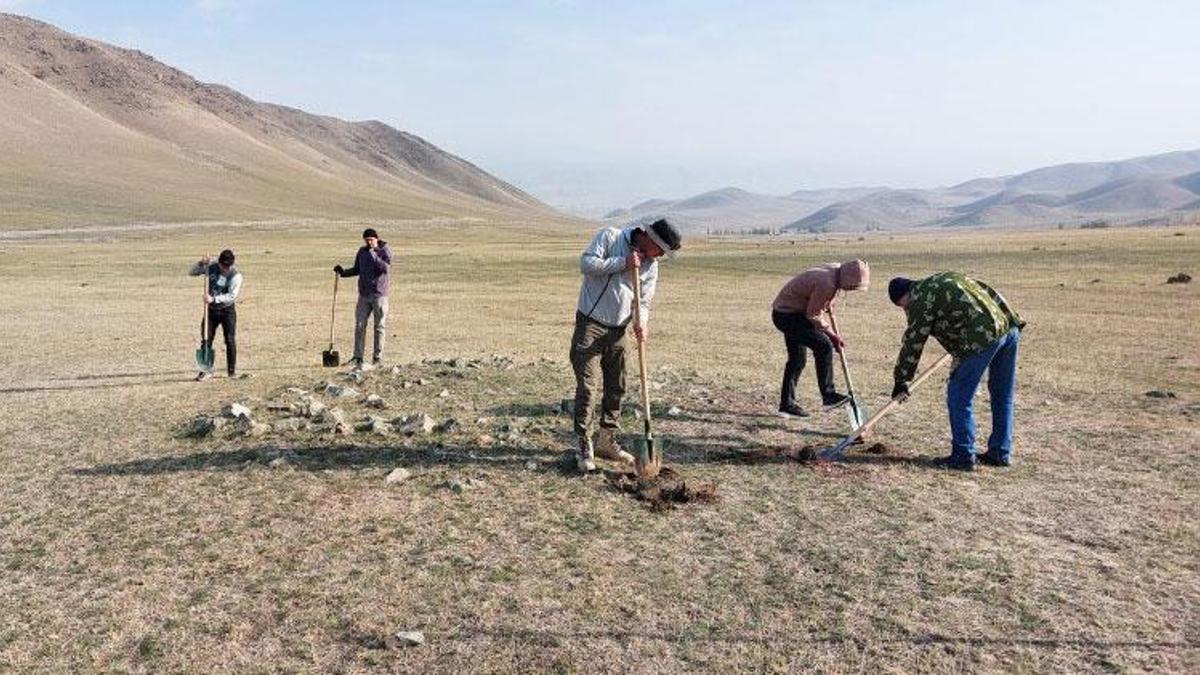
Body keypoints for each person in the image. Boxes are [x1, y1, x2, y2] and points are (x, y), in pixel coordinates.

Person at [570, 217, 683, 472]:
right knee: (588, 386)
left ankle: (606, 441)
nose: (660, 256)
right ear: (648, 237)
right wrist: (622, 263)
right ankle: (584, 444)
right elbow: (587, 264)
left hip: (619, 329)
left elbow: (642, 302)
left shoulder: (651, 266)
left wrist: (641, 322)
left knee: (617, 385)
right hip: (591, 323)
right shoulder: (611, 237)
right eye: (660, 250)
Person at [888, 272, 1025, 471]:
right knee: (1002, 395)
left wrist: (901, 379)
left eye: (903, 305)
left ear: (906, 295)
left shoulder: (920, 299)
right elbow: (986, 291)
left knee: (959, 397)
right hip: (1008, 328)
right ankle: (1000, 452)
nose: (906, 310)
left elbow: (914, 340)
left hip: (982, 337)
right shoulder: (945, 278)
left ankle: (962, 455)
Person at [770, 260, 870, 417]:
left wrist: (829, 302)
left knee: (797, 359)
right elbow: (813, 315)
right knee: (823, 346)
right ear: (846, 278)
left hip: (791, 312)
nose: (851, 290)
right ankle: (828, 395)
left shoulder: (837, 270)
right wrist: (832, 335)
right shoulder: (827, 283)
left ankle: (787, 404)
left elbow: (820, 295)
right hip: (787, 315)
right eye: (852, 286)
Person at [334, 228, 392, 369]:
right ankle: (358, 357)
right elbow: (357, 269)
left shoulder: (385, 251)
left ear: (376, 238)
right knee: (360, 325)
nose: (369, 242)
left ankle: (377, 358)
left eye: (371, 240)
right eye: (366, 240)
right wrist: (343, 272)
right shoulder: (362, 252)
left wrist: (374, 255)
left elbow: (385, 269)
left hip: (379, 295)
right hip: (364, 296)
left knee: (379, 327)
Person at [189, 249, 242, 381]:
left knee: (229, 340)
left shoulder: (236, 276)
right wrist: (201, 264)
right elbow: (192, 272)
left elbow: (232, 296)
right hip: (210, 311)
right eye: (223, 265)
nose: (225, 268)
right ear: (219, 262)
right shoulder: (211, 267)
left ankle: (231, 372)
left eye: (227, 266)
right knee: (206, 339)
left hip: (227, 310)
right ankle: (206, 370)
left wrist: (214, 299)